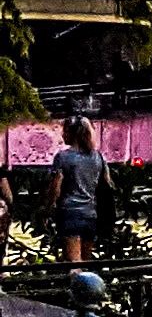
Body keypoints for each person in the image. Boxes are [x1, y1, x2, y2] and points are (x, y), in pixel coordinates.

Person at [49, 118, 109, 276]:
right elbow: (105, 184)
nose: (63, 134)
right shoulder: (97, 157)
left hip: (69, 213)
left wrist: (48, 207)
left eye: (65, 130)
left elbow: (56, 187)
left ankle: (74, 297)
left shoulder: (63, 157)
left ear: (72, 133)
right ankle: (90, 296)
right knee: (86, 264)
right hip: (91, 214)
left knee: (74, 265)